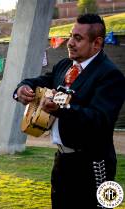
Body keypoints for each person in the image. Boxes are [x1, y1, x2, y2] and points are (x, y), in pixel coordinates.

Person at [14, 14, 125, 209]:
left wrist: (61, 109)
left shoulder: (110, 75)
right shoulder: (65, 65)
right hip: (62, 162)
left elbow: (99, 120)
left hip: (94, 166)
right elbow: (40, 81)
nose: (70, 43)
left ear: (97, 43)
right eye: (70, 35)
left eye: (78, 38)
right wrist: (21, 88)